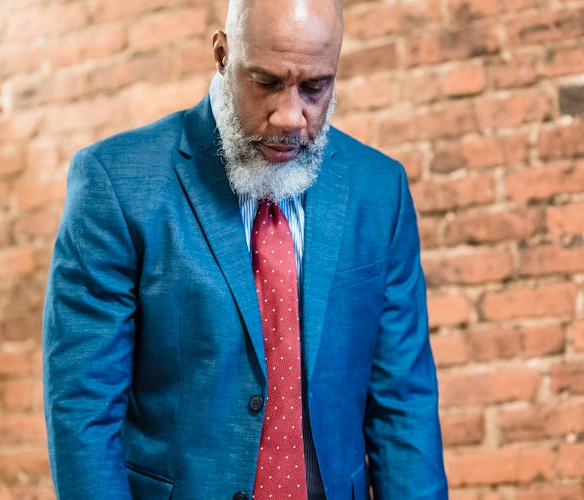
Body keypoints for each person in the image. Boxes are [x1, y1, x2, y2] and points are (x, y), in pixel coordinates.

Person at [42, 0, 447, 498]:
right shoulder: (117, 182)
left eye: (315, 88)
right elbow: (83, 409)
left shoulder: (379, 190)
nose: (290, 117)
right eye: (266, 83)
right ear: (221, 55)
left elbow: (403, 407)